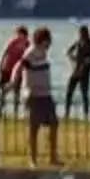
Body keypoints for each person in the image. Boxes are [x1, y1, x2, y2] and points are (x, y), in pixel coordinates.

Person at [23, 26, 62, 166]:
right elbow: (21, 66)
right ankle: (33, 159)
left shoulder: (43, 54)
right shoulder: (30, 53)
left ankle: (53, 156)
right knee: (34, 128)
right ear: (42, 40)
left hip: (46, 94)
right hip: (34, 95)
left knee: (54, 123)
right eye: (48, 41)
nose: (50, 44)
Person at [64, 25, 90, 117]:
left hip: (85, 72)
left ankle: (86, 114)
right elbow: (68, 52)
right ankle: (66, 113)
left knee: (84, 94)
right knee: (69, 92)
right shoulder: (78, 43)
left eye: (83, 33)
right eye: (81, 33)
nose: (82, 36)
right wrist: (72, 58)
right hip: (76, 70)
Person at [0, 26, 31, 111]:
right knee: (3, 90)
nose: (18, 36)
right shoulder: (13, 42)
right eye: (18, 34)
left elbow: (29, 57)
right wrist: (0, 66)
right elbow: (5, 53)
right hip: (8, 69)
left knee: (17, 92)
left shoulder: (27, 44)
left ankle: (16, 111)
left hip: (19, 71)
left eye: (20, 34)